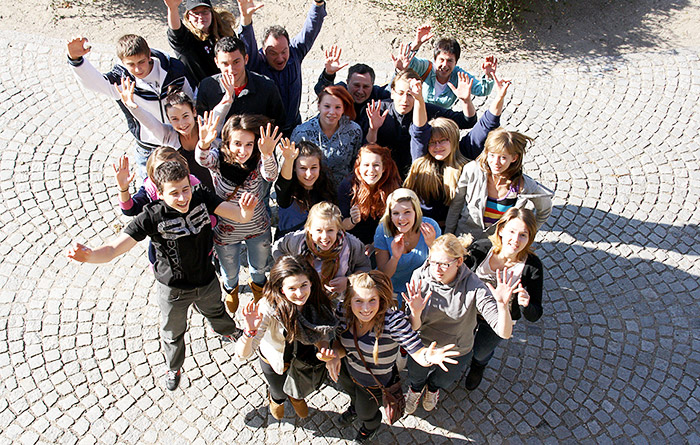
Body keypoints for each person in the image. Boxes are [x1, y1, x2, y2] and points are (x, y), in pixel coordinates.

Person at [66, 161, 257, 391]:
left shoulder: (201, 196)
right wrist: (88, 256)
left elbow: (239, 216)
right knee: (173, 333)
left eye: (185, 189)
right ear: (159, 192)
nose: (183, 198)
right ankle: (174, 367)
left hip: (206, 280)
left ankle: (228, 332)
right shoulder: (152, 216)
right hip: (173, 289)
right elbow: (113, 249)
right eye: (174, 193)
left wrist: (246, 211)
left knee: (216, 311)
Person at [325, 271, 458, 443]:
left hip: (374, 382)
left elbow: (416, 350)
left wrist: (427, 357)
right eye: (359, 301)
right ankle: (354, 408)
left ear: (380, 300)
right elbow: (340, 342)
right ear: (349, 301)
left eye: (372, 300)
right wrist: (334, 355)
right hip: (348, 371)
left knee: (367, 412)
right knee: (353, 397)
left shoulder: (392, 321)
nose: (366, 309)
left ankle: (370, 426)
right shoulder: (342, 312)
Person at [402, 233, 517, 414]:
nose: (437, 269)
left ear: (459, 261)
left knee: (443, 380)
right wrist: (415, 313)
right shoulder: (419, 276)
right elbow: (413, 327)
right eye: (433, 262)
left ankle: (432, 389)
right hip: (423, 345)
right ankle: (416, 390)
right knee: (416, 375)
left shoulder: (474, 286)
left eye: (444, 264)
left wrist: (502, 306)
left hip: (457, 348)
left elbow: (504, 332)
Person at [66, 34, 193, 181]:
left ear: (149, 56)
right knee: (151, 191)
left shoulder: (173, 70)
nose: (138, 69)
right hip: (148, 147)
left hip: (178, 141)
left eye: (141, 62)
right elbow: (95, 82)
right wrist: (76, 60)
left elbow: (191, 98)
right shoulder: (121, 80)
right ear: (122, 62)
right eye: (131, 64)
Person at [196, 114, 282, 314]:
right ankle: (231, 290)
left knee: (260, 267)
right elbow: (202, 159)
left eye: (249, 144)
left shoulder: (259, 158)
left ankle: (259, 289)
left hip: (257, 226)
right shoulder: (218, 159)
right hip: (226, 229)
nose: (243, 151)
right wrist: (203, 143)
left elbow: (270, 175)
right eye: (237, 143)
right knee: (229, 269)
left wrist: (268, 154)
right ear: (227, 141)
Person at [235, 255, 338, 420]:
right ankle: (277, 400)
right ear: (281, 289)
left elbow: (322, 332)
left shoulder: (315, 298)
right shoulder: (267, 308)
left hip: (303, 354)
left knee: (298, 386)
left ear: (311, 282)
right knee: (278, 390)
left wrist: (324, 346)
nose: (300, 294)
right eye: (292, 288)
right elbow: (243, 355)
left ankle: (296, 397)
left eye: (304, 285)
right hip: (276, 361)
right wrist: (250, 332)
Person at [404, 75, 513, 228]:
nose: (438, 146)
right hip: (422, 226)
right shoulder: (421, 157)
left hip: (455, 227)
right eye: (433, 142)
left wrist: (500, 96)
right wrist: (419, 100)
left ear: (453, 140)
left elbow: (486, 125)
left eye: (443, 140)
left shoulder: (463, 152)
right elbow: (419, 131)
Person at [463, 208, 543, 390]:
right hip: (469, 310)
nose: (515, 240)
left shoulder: (532, 266)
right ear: (500, 230)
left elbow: (535, 314)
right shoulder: (482, 248)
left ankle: (478, 367)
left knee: (482, 351)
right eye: (512, 232)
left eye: (523, 235)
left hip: (499, 318)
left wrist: (526, 303)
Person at [444, 124, 553, 241]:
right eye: (491, 155)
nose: (495, 162)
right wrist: (448, 235)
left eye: (503, 157)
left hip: (497, 244)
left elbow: (544, 209)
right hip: (465, 237)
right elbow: (456, 205)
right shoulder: (472, 170)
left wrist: (526, 234)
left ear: (514, 158)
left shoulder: (524, 186)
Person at [364, 69, 476, 177]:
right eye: (400, 93)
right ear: (392, 93)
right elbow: (364, 147)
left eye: (410, 95)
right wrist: (373, 129)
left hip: (418, 173)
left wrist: (466, 101)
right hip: (382, 173)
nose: (405, 100)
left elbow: (467, 121)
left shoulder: (426, 110)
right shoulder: (378, 110)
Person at [237, 0, 327, 134]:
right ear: (263, 50)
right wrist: (246, 19)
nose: (280, 58)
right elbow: (247, 44)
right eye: (273, 53)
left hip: (295, 125)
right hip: (269, 133)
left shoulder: (295, 52)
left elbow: (310, 30)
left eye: (284, 52)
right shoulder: (257, 63)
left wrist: (318, 4)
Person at [116, 77, 218, 189]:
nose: (182, 123)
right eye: (175, 119)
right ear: (169, 120)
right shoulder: (168, 135)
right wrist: (133, 107)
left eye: (185, 116)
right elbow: (150, 124)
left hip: (218, 189)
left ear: (194, 112)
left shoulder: (206, 127)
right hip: (190, 194)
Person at [272, 202, 371, 299]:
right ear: (309, 229)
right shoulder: (297, 241)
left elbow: (365, 267)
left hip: (339, 298)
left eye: (330, 230)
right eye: (318, 230)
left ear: (338, 229)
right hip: (303, 297)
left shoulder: (352, 245)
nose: (324, 237)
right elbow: (277, 248)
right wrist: (289, 271)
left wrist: (350, 281)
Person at [393, 24, 497, 109]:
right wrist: (417, 43)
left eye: (450, 61)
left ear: (456, 62)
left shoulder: (458, 76)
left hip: (441, 125)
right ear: (435, 59)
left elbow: (482, 90)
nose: (445, 65)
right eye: (441, 60)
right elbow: (408, 62)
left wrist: (489, 76)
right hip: (418, 119)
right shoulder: (426, 68)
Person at [195, 36, 286, 127]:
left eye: (236, 62)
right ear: (217, 62)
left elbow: (280, 124)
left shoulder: (266, 87)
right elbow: (202, 125)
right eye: (225, 64)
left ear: (246, 59)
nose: (231, 70)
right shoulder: (207, 88)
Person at [374, 188, 441, 307]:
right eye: (395, 213)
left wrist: (432, 246)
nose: (401, 218)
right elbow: (384, 276)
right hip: (392, 292)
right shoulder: (383, 230)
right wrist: (395, 257)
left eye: (407, 212)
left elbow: (440, 268)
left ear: (416, 212)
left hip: (423, 291)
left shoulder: (431, 227)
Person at [290, 85, 363, 185]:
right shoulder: (301, 133)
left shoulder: (354, 131)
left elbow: (356, 163)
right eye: (327, 106)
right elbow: (291, 166)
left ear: (343, 109)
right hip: (311, 188)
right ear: (319, 105)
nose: (332, 112)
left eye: (337, 107)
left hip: (342, 189)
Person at [337, 144, 401, 247]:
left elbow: (398, 223)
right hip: (353, 242)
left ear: (383, 168)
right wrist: (353, 220)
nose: (371, 170)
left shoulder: (392, 186)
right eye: (366, 165)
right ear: (358, 167)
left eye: (376, 165)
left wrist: (375, 245)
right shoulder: (348, 186)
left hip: (383, 241)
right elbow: (342, 225)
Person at [164, 0, 236, 86]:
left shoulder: (225, 32)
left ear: (211, 13)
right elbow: (175, 31)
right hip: (202, 92)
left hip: (231, 85)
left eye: (205, 12)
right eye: (195, 13)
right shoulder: (185, 40)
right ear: (188, 16)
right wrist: (172, 9)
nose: (201, 16)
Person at [274, 140, 337, 238]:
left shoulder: (325, 188)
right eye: (303, 168)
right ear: (294, 168)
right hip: (290, 247)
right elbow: (284, 182)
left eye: (314, 168)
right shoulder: (288, 192)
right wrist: (289, 160)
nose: (309, 174)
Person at [313, 45, 391, 121]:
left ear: (372, 84)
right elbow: (322, 91)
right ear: (347, 82)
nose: (360, 91)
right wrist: (329, 74)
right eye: (356, 85)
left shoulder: (376, 93)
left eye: (366, 86)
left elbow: (394, 91)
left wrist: (399, 72)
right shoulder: (341, 91)